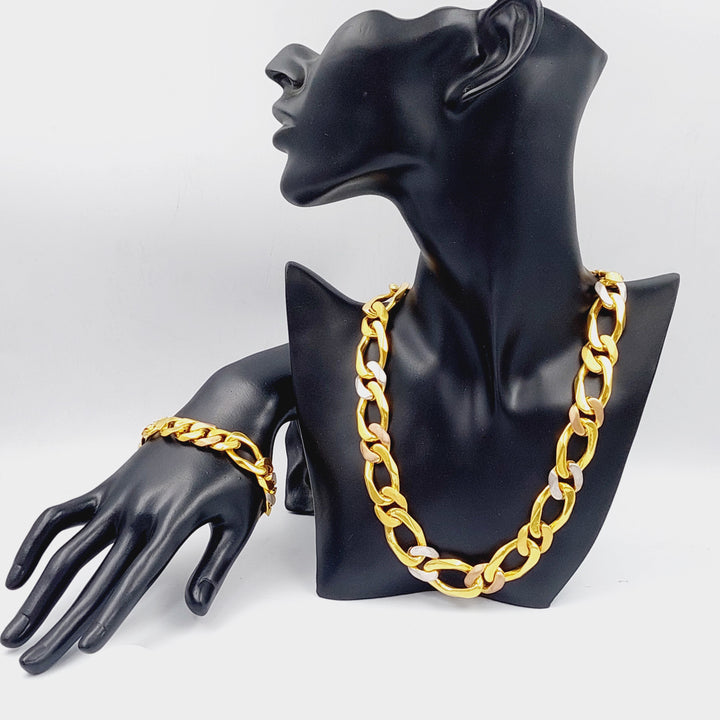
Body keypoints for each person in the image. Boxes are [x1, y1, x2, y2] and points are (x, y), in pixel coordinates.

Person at [1, 0, 678, 674]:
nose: (286, 64)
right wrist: (237, 402)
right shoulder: (341, 361)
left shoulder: (626, 347)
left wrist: (260, 385)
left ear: (496, 50)